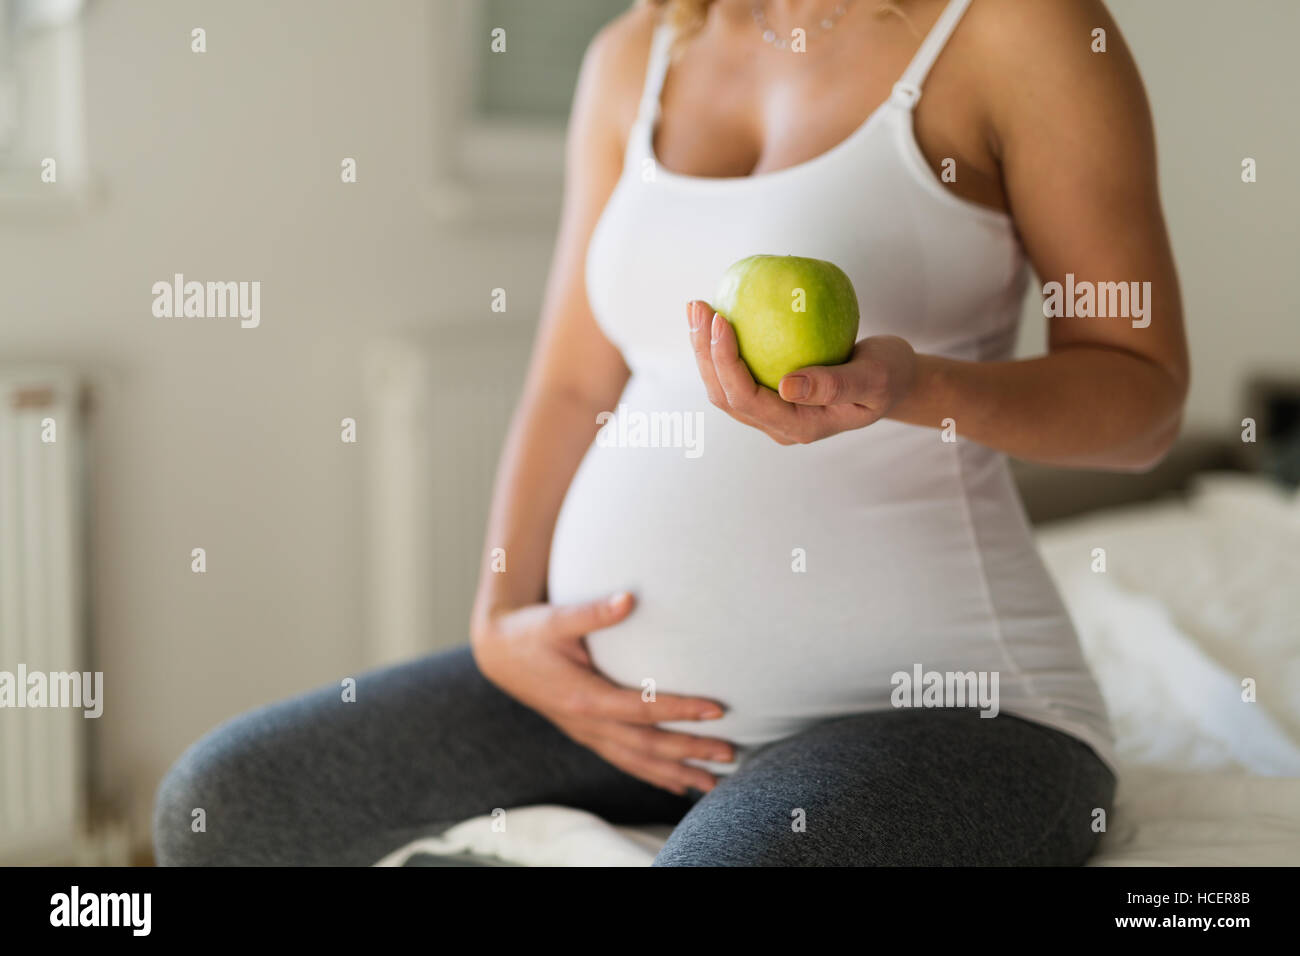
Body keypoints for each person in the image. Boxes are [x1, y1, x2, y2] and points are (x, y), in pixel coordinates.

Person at [155, 0, 1188, 866]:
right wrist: (500, 618)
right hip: (628, 704)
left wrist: (913, 387)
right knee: (224, 801)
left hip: (948, 707)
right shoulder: (634, 55)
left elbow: (1141, 399)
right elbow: (571, 383)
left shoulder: (1018, 28)